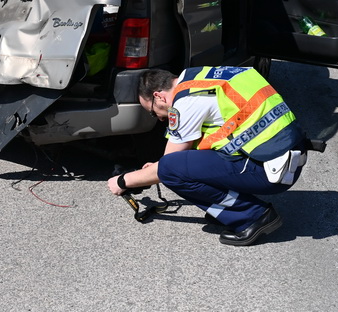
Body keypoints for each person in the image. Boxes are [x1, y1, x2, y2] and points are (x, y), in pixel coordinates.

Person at [107, 66, 309, 246]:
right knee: (178, 163)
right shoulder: (209, 78)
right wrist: (156, 167)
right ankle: (232, 208)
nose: (160, 118)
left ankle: (252, 216)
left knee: (171, 169)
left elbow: (168, 166)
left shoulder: (187, 101)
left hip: (270, 172)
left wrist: (124, 181)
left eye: (153, 112)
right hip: (286, 156)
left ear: (159, 96)